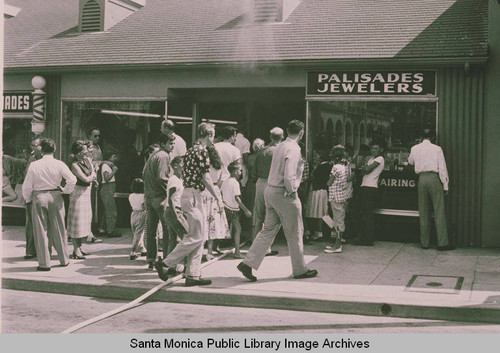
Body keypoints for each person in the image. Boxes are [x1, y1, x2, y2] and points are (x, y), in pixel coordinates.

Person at [236, 120, 318, 281]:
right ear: (301, 133)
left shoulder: (280, 146)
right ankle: (300, 269)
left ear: (288, 131)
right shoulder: (294, 148)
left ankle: (248, 262)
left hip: (270, 190)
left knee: (268, 230)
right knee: (295, 232)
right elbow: (289, 175)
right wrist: (292, 190)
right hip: (284, 193)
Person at [155, 122, 224, 286]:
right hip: (194, 195)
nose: (213, 138)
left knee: (198, 237)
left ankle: (193, 274)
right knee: (195, 236)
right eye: (212, 134)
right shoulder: (202, 151)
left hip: (190, 194)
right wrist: (218, 199)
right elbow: (205, 178)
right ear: (208, 135)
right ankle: (166, 263)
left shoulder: (192, 150)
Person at [22, 138, 77, 271]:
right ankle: (64, 259)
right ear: (55, 149)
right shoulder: (60, 164)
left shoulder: (34, 165)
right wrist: (66, 191)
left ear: (41, 149)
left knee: (41, 231)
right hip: (56, 196)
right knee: (59, 228)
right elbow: (72, 179)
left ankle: (44, 263)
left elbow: (27, 186)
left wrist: (28, 199)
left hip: (39, 196)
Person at [408, 130, 452, 250]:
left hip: (421, 179)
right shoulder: (437, 149)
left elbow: (410, 161)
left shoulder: (415, 148)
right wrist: (445, 184)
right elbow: (442, 168)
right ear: (432, 137)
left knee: (423, 211)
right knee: (439, 211)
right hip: (434, 178)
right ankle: (442, 243)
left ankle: (425, 243)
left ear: (421, 137)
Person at [143, 133, 176, 269]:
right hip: (160, 198)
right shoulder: (163, 156)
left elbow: (145, 174)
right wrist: (171, 191)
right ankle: (167, 260)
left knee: (152, 230)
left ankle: (151, 258)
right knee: (168, 229)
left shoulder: (154, 155)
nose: (172, 145)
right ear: (162, 144)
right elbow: (162, 177)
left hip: (150, 197)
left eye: (173, 143)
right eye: (170, 143)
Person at [252, 127, 284, 256]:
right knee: (272, 217)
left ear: (270, 137)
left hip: (260, 183)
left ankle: (255, 246)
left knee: (259, 216)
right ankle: (267, 247)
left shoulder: (261, 152)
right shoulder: (279, 152)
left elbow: (254, 172)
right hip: (273, 183)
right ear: (282, 137)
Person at [351, 140, 385, 246]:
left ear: (381, 150)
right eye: (372, 148)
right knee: (356, 211)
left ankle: (368, 239)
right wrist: (364, 168)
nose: (373, 150)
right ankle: (361, 236)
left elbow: (366, 170)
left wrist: (365, 168)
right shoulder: (371, 159)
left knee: (367, 214)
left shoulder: (380, 159)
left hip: (370, 188)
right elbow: (363, 170)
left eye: (376, 148)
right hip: (364, 187)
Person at [67, 140, 96, 259]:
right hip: (77, 194)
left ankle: (80, 247)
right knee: (76, 222)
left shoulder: (87, 160)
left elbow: (92, 172)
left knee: (84, 221)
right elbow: (85, 179)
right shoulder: (74, 165)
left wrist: (92, 176)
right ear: (77, 152)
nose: (86, 152)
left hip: (86, 193)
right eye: (84, 150)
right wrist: (92, 176)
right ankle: (75, 249)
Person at [204, 146, 230, 261]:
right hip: (215, 190)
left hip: (204, 191)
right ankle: (210, 251)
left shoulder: (204, 164)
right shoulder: (219, 166)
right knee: (213, 222)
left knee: (204, 221)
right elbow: (220, 181)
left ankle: (200, 251)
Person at [221, 160, 252, 258]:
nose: (241, 172)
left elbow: (221, 193)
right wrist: (246, 210)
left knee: (227, 228)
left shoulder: (226, 181)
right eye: (239, 170)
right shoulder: (235, 183)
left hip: (226, 207)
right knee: (238, 229)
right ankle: (237, 252)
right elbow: (237, 198)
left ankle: (215, 247)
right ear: (234, 171)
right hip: (232, 209)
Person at [324, 145, 351, 254]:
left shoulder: (336, 167)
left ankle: (337, 245)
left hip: (335, 196)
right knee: (339, 219)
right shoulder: (345, 166)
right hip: (342, 196)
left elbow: (329, 182)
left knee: (338, 221)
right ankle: (336, 243)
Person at [162, 156, 187, 262]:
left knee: (173, 239)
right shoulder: (174, 180)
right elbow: (171, 199)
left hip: (174, 211)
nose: (184, 166)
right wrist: (176, 216)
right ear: (175, 166)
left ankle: (169, 264)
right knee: (186, 238)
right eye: (182, 164)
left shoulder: (179, 179)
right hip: (174, 211)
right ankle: (184, 263)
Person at [305, 150, 331, 242]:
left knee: (320, 212)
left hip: (318, 191)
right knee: (323, 212)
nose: (314, 157)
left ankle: (319, 232)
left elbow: (312, 177)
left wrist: (315, 167)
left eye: (316, 155)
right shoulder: (328, 165)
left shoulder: (321, 167)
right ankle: (323, 231)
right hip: (322, 191)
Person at [23, 138, 43, 259]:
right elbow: (27, 178)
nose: (34, 148)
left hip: (43, 194)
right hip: (33, 193)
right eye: (33, 146)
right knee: (31, 223)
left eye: (36, 145)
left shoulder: (46, 159)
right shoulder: (32, 160)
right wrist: (27, 197)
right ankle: (30, 250)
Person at [86, 127, 104, 244]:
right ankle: (90, 229)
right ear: (90, 136)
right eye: (95, 136)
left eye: (98, 136)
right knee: (91, 204)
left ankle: (94, 227)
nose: (97, 138)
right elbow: (89, 162)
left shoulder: (98, 147)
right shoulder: (89, 148)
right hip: (91, 178)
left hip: (98, 177)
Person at [98, 151, 121, 238]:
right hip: (107, 188)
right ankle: (110, 231)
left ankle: (103, 228)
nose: (115, 158)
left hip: (108, 188)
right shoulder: (106, 166)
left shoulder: (107, 165)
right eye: (113, 156)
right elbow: (107, 178)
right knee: (111, 211)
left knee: (107, 210)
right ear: (109, 157)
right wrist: (114, 171)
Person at [129, 178, 147, 260]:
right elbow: (143, 207)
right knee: (139, 233)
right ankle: (132, 252)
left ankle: (143, 249)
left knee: (135, 232)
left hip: (133, 213)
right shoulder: (143, 196)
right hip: (141, 213)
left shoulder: (131, 195)